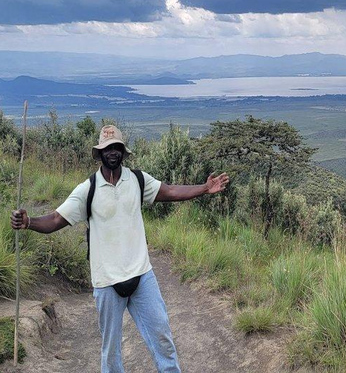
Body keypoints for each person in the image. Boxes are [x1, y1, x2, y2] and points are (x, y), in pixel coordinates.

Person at [10, 125, 229, 373]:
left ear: (123, 152)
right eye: (107, 148)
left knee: (162, 339)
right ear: (99, 153)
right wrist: (29, 222)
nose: (112, 152)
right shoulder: (88, 189)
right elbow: (56, 220)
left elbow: (169, 191)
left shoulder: (137, 180)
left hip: (142, 275)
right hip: (106, 282)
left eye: (117, 147)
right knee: (111, 351)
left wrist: (203, 188)